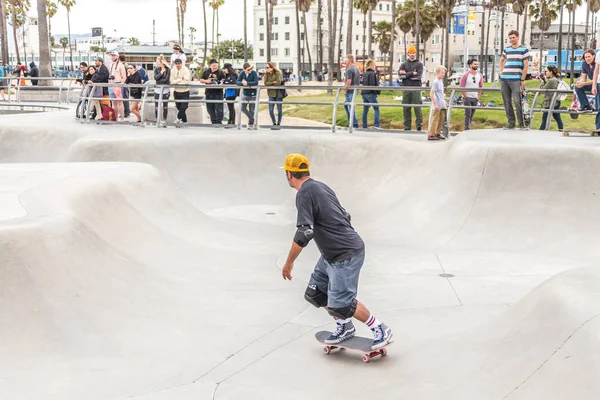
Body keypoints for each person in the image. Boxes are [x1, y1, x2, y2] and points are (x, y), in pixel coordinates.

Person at [280, 153, 394, 350]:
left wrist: (289, 262)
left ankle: (380, 328)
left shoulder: (304, 194)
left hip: (345, 255)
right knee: (316, 293)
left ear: (289, 174)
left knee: (342, 304)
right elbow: (345, 214)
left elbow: (304, 232)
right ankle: (344, 327)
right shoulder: (321, 186)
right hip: (331, 255)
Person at [499, 30, 529, 130]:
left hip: (516, 79)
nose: (511, 40)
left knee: (517, 101)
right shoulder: (506, 49)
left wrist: (522, 79)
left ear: (518, 37)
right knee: (507, 101)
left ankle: (522, 124)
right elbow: (501, 60)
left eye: (513, 37)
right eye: (510, 38)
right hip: (504, 79)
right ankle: (511, 123)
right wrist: (501, 71)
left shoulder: (523, 49)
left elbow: (526, 66)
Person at [399, 44, 424, 131]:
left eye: (413, 53)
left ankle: (419, 126)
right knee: (406, 108)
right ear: (408, 54)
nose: (412, 54)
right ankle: (407, 127)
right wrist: (411, 73)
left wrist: (406, 74)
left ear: (415, 54)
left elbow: (418, 77)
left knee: (417, 107)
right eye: (410, 53)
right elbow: (400, 77)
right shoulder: (403, 64)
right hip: (406, 89)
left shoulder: (419, 64)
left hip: (416, 89)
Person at [536, 66, 564, 132]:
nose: (546, 73)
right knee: (557, 118)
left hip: (550, 103)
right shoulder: (556, 79)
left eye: (547, 71)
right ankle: (561, 130)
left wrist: (542, 82)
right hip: (555, 102)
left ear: (551, 72)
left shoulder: (552, 80)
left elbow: (542, 89)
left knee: (544, 119)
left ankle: (540, 132)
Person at [459, 59, 483, 130]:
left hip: (475, 98)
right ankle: (467, 128)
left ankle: (468, 127)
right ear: (470, 65)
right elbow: (461, 87)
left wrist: (478, 97)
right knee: (468, 113)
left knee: (472, 114)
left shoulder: (480, 75)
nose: (476, 65)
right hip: (467, 97)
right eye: (475, 64)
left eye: (477, 64)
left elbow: (481, 86)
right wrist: (465, 96)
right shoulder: (465, 75)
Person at [200, 59, 226, 124]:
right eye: (213, 66)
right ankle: (213, 121)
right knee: (210, 108)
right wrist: (207, 81)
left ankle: (219, 121)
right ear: (210, 66)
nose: (215, 67)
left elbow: (224, 80)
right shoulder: (206, 72)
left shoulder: (220, 72)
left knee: (219, 108)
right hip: (209, 93)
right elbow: (201, 80)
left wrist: (221, 83)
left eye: (216, 66)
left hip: (218, 93)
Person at [236, 63, 259, 127]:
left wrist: (247, 83)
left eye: (251, 69)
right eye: (248, 69)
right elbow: (237, 81)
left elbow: (256, 82)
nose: (250, 70)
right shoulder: (242, 73)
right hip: (245, 94)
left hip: (253, 94)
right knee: (242, 107)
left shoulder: (254, 73)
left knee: (252, 109)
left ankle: (251, 122)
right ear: (244, 69)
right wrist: (242, 83)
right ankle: (251, 118)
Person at [429, 66, 448, 140]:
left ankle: (437, 133)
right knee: (435, 119)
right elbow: (431, 94)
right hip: (437, 103)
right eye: (442, 73)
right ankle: (431, 134)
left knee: (441, 119)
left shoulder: (441, 81)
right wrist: (435, 104)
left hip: (441, 103)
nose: (443, 74)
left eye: (444, 73)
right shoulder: (436, 82)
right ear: (437, 73)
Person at [361, 59, 381, 129]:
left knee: (365, 110)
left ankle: (364, 125)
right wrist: (377, 92)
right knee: (376, 108)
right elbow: (373, 85)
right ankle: (376, 125)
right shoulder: (372, 74)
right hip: (370, 93)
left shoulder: (365, 73)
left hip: (364, 93)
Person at [171, 58, 191, 125]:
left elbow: (186, 81)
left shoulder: (185, 70)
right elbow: (172, 81)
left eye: (179, 64)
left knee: (183, 107)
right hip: (176, 91)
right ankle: (184, 121)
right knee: (179, 107)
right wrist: (180, 79)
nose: (178, 65)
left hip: (185, 91)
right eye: (176, 64)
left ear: (181, 63)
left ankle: (177, 118)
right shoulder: (173, 70)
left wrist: (177, 81)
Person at [264, 61, 284, 127]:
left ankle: (279, 122)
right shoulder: (266, 74)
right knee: (270, 110)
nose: (267, 68)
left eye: (268, 67)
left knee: (279, 109)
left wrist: (270, 82)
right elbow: (265, 83)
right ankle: (274, 121)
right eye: (266, 67)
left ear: (272, 67)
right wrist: (273, 82)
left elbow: (278, 82)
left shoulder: (278, 73)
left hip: (278, 94)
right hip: (270, 94)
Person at [108, 51, 127, 121]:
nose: (113, 57)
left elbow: (124, 77)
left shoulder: (121, 65)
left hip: (118, 84)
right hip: (111, 85)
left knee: (120, 102)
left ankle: (122, 118)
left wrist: (120, 85)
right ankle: (115, 118)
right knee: (114, 103)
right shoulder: (111, 65)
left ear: (117, 56)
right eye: (112, 56)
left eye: (114, 55)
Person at [153, 55, 171, 125]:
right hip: (157, 90)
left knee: (165, 105)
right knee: (157, 105)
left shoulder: (168, 69)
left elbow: (166, 79)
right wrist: (161, 72)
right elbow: (155, 78)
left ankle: (164, 119)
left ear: (162, 62)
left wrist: (159, 80)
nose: (157, 63)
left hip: (165, 90)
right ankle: (157, 119)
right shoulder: (156, 69)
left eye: (158, 62)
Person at [343, 54, 360, 128]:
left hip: (350, 91)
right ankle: (351, 121)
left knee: (350, 107)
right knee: (347, 105)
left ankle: (354, 123)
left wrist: (345, 89)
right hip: (355, 90)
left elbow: (349, 81)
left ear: (349, 60)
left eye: (346, 60)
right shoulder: (356, 68)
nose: (344, 61)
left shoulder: (349, 69)